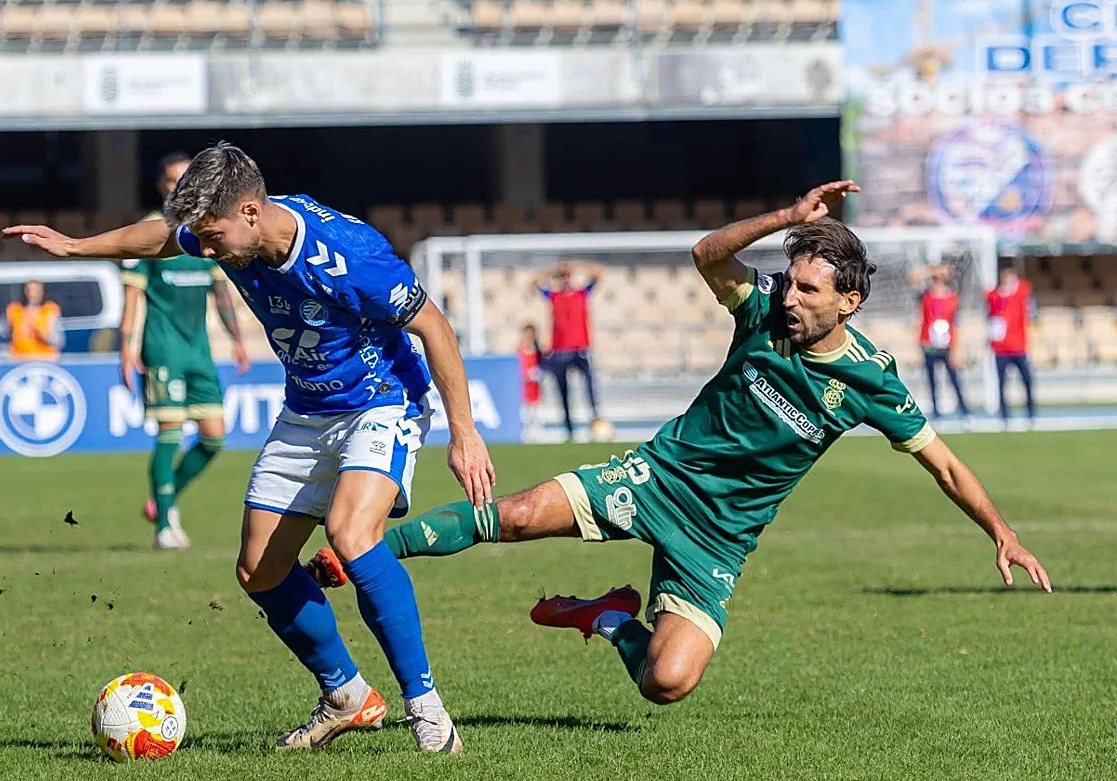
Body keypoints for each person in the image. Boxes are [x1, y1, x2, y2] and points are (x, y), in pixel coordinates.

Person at [312, 182, 1052, 707]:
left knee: (667, 683)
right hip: (659, 477)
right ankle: (361, 551)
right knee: (516, 514)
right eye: (791, 282)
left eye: (810, 291)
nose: (792, 297)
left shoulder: (871, 381)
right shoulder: (762, 311)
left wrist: (1002, 531)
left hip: (719, 538)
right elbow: (707, 253)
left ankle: (605, 617)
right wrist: (788, 217)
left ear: (849, 303)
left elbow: (944, 464)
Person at [4, 141, 495, 754]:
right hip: (307, 408)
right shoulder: (226, 229)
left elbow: (434, 326)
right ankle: (346, 696)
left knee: (350, 534)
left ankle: (427, 710)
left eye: (213, 238)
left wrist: (464, 432)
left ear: (251, 211)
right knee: (258, 569)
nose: (207, 252)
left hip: (381, 399)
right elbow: (162, 237)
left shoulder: (349, 255)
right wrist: (77, 247)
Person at [121, 151, 251, 550]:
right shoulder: (149, 231)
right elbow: (132, 298)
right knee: (170, 432)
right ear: (161, 186)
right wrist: (126, 350)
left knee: (214, 437)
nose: (178, 186)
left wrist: (237, 340)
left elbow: (220, 292)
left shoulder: (206, 229)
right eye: (171, 180)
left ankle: (164, 499)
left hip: (199, 350)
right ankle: (165, 526)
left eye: (185, 178)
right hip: (163, 348)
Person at [531, 260, 605, 441]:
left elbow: (599, 274)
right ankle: (569, 430)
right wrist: (554, 270)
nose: (565, 278)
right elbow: (534, 283)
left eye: (567, 275)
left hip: (580, 349)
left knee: (589, 387)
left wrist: (576, 266)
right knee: (563, 391)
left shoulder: (581, 293)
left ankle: (595, 421)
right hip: (559, 351)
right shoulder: (554, 295)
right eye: (563, 276)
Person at [911, 264, 971, 419]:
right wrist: (932, 270)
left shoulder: (952, 298)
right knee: (932, 381)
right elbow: (912, 279)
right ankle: (936, 411)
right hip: (929, 344)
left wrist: (956, 350)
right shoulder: (925, 295)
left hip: (946, 345)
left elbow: (956, 324)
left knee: (954, 379)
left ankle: (965, 410)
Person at [987, 266, 1036, 428]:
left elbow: (1025, 287)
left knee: (1027, 381)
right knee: (1002, 383)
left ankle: (1031, 413)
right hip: (1001, 349)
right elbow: (990, 299)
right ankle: (1005, 416)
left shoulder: (1020, 293)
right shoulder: (995, 296)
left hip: (1019, 347)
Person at [0, 279, 64, 360]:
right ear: (25, 291)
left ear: (42, 292)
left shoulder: (50, 310)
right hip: (19, 361)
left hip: (45, 361)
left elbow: (59, 342)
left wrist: (42, 336)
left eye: (37, 291)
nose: (34, 294)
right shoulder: (14, 310)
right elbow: (2, 332)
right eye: (31, 290)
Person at [517, 322, 544, 439]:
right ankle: (525, 435)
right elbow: (518, 367)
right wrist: (526, 374)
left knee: (535, 412)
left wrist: (538, 373)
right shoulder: (520, 351)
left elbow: (542, 366)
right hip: (524, 387)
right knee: (525, 414)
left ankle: (536, 434)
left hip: (535, 387)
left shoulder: (537, 351)